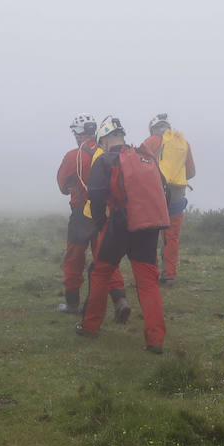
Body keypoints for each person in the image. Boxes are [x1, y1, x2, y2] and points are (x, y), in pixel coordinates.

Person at [76, 116, 168, 353]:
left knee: (101, 273)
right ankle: (155, 341)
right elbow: (163, 189)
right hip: (148, 227)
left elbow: (95, 197)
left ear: (105, 140)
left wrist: (98, 223)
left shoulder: (106, 160)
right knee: (148, 282)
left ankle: (90, 326)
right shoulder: (145, 156)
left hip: (119, 226)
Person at [55, 114, 131, 321]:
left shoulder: (74, 155)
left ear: (78, 134)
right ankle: (120, 300)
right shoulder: (107, 152)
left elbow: (63, 185)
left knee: (74, 258)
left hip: (81, 214)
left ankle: (72, 304)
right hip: (107, 213)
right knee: (106, 259)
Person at [142, 114, 196, 285]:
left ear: (153, 128)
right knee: (171, 237)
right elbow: (191, 172)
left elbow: (140, 165)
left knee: (150, 234)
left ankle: (151, 273)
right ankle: (170, 275)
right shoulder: (183, 143)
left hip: (155, 192)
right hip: (178, 194)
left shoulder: (151, 141)